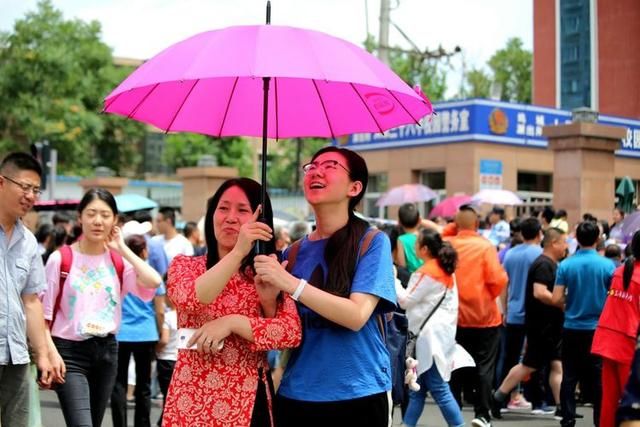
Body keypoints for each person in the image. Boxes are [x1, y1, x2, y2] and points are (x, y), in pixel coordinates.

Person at [254, 146, 397, 427]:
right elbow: (282, 333)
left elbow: (356, 316)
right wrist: (269, 301)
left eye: (330, 166)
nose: (316, 171)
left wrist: (291, 284)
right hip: (297, 396)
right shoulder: (292, 253)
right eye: (312, 166)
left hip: (358, 394)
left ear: (354, 188)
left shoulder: (372, 242)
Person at [162, 177, 302, 427]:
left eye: (243, 210)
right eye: (223, 208)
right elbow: (191, 299)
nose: (230, 217)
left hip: (246, 401)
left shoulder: (267, 272)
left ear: (261, 221)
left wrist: (237, 320)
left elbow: (289, 334)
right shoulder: (185, 266)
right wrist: (238, 252)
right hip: (190, 398)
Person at [42, 188, 162, 427]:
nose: (98, 221)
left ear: (115, 221)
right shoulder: (61, 259)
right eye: (91, 214)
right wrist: (50, 353)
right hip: (69, 352)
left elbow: (154, 281)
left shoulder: (118, 262)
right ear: (80, 218)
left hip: (107, 351)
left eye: (105, 215)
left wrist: (123, 249)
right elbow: (43, 315)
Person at [0, 152, 57, 427]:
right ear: (1, 182)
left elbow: (31, 301)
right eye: (24, 186)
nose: (31, 195)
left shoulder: (28, 242)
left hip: (17, 356)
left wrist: (42, 355)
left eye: (35, 190)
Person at [443, 204, 508, 427]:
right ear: (478, 224)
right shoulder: (485, 246)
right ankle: (482, 413)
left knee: (455, 366)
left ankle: (455, 413)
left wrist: (455, 225)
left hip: (454, 317)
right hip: (484, 316)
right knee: (484, 367)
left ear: (456, 223)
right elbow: (498, 280)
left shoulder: (448, 245)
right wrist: (484, 297)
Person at [492, 227, 568, 417]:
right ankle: (498, 397)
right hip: (542, 326)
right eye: (564, 242)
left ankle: (563, 408)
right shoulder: (544, 264)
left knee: (555, 364)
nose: (566, 246)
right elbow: (539, 292)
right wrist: (560, 303)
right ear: (554, 243)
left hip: (546, 325)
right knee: (529, 365)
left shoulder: (547, 263)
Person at [395, 228, 464, 427]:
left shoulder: (427, 272)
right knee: (419, 390)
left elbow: (406, 301)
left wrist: (394, 280)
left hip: (428, 339)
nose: (414, 247)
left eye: (417, 244)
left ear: (424, 249)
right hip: (438, 337)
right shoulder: (445, 269)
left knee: (437, 388)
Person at [552, 220, 616, 427]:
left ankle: (568, 418)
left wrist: (569, 304)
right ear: (598, 239)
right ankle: (600, 419)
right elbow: (613, 297)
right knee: (598, 377)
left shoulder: (566, 264)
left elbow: (555, 298)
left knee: (569, 375)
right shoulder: (607, 265)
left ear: (576, 239)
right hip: (598, 328)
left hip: (572, 326)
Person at [111, 233, 166, 427]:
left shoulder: (119, 272)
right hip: (146, 333)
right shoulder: (150, 273)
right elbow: (160, 310)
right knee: (143, 385)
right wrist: (162, 332)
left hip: (120, 334)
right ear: (143, 251)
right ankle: (142, 424)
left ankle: (120, 424)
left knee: (118, 384)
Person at [592, 230, 640, 427]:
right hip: (628, 344)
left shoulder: (620, 271)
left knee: (610, 401)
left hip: (608, 339)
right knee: (631, 404)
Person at [497, 217, 543, 412]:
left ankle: (505, 397)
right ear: (539, 233)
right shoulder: (541, 255)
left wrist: (504, 311)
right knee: (535, 358)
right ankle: (536, 399)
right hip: (535, 314)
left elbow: (504, 286)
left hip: (514, 311)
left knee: (510, 357)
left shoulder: (510, 255)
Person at [155, 296, 178, 427]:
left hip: (166, 359)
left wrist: (156, 350)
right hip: (179, 359)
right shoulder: (184, 316)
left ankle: (164, 421)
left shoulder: (168, 316)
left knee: (167, 395)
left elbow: (164, 340)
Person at [396, 203, 424, 274]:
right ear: (420, 220)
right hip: (427, 274)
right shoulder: (424, 235)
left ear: (399, 222)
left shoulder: (401, 239)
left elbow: (402, 264)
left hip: (412, 277)